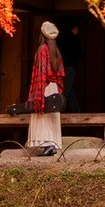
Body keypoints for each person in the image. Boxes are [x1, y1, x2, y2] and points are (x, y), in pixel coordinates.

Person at [24, 20, 65, 154]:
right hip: (53, 86)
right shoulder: (56, 51)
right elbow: (59, 74)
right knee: (51, 115)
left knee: (42, 115)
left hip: (45, 86)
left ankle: (48, 144)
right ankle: (51, 144)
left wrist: (38, 91)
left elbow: (41, 72)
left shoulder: (42, 50)